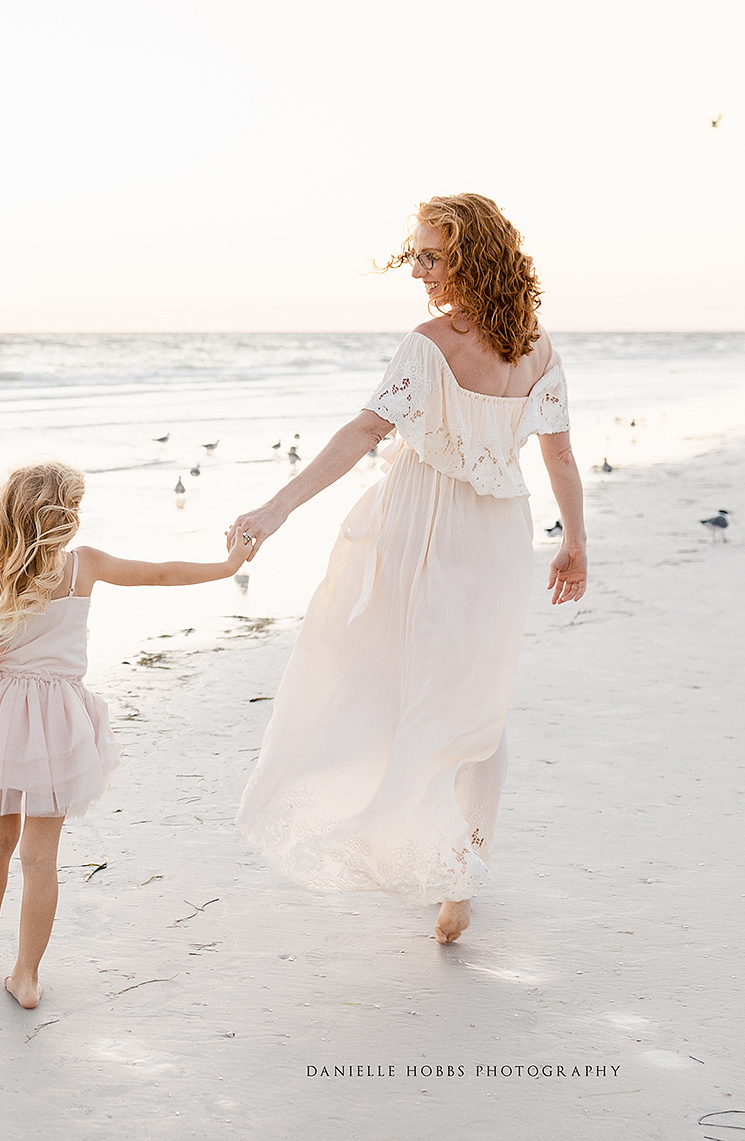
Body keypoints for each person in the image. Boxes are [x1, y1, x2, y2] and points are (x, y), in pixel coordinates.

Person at [229, 193, 588, 945]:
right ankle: (464, 861)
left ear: (468, 257)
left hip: (426, 525)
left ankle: (439, 852)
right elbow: (557, 453)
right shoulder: (539, 346)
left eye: (431, 255)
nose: (418, 270)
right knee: (475, 699)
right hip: (500, 531)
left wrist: (276, 507)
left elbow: (365, 430)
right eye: (416, 254)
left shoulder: (429, 342)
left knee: (391, 677)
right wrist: (573, 540)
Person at [0, 459, 251, 1008]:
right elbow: (162, 572)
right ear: (65, 515)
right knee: (41, 856)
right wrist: (227, 565)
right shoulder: (83, 567)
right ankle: (25, 977)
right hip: (59, 722)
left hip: (0, 719)